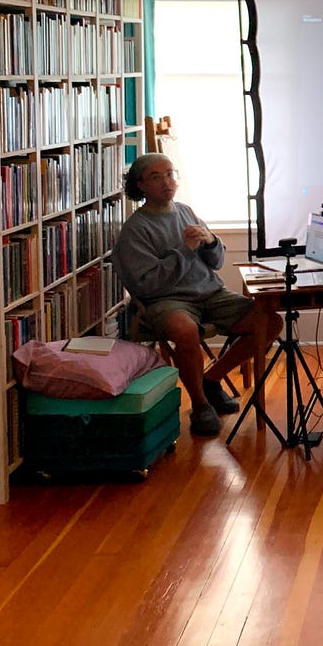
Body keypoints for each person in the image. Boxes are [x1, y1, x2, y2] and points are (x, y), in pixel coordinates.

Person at [113, 153, 282, 436]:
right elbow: (147, 285)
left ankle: (211, 379)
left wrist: (211, 241)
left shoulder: (185, 211)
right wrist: (185, 251)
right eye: (157, 176)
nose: (167, 182)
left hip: (211, 293)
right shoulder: (135, 229)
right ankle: (201, 405)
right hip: (166, 300)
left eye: (170, 173)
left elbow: (216, 262)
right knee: (185, 330)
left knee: (271, 322)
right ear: (141, 185)